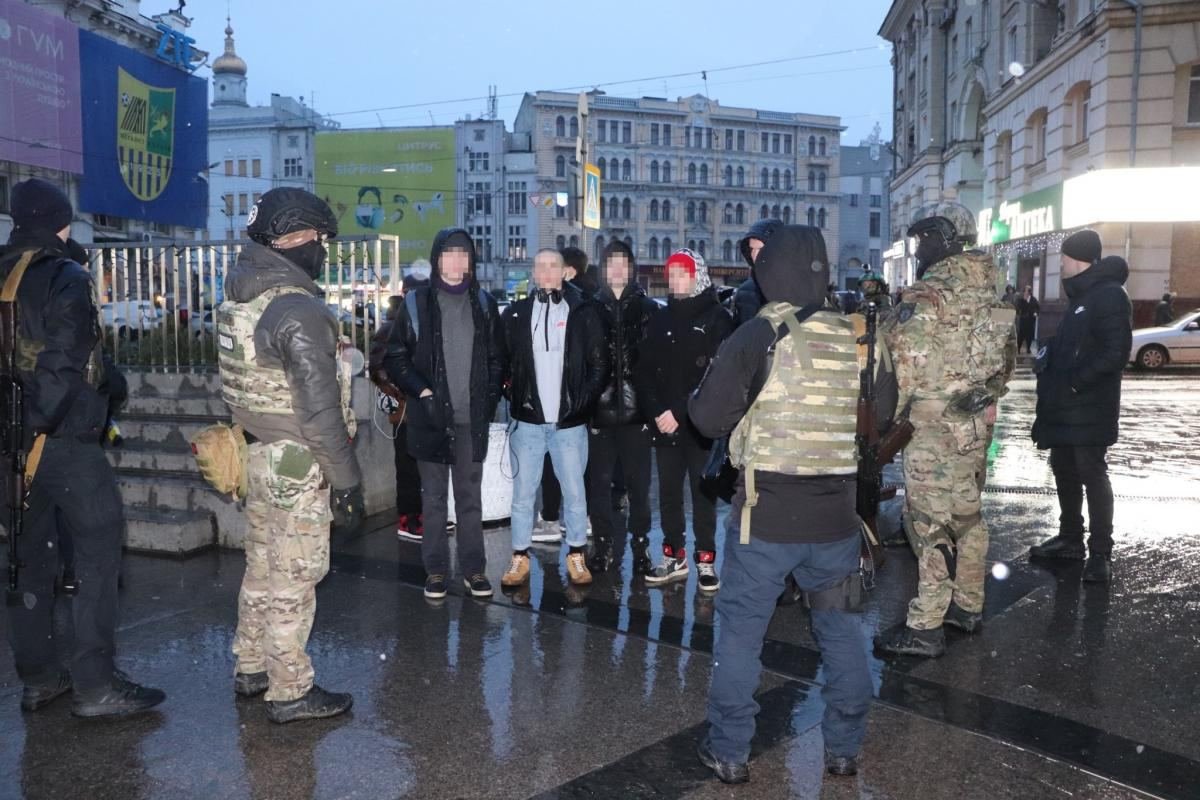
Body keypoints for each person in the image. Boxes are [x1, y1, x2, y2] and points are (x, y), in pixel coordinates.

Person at [690, 225, 894, 783]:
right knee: (842, 632)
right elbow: (883, 414)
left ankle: (731, 750)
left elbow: (706, 418)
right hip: (837, 524)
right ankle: (844, 748)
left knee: (740, 634)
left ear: (768, 271)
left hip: (766, 518)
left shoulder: (759, 335)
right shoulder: (859, 336)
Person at [1, 179, 164, 717]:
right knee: (96, 556)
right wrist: (38, 428)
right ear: (60, 222)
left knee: (30, 560)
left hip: (11, 444)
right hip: (59, 440)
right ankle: (95, 686)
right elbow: (64, 360)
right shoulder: (63, 275)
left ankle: (39, 677)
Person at [219, 188, 363, 723]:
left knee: (260, 566)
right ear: (299, 238)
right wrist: (346, 481)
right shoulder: (297, 309)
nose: (323, 252)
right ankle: (291, 690)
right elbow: (321, 413)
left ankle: (251, 665)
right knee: (295, 578)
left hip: (257, 452)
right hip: (299, 464)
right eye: (321, 240)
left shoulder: (241, 295)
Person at [875, 201, 1016, 659]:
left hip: (931, 427)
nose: (920, 248)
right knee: (968, 518)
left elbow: (901, 369)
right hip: (973, 423)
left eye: (925, 238)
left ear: (946, 237)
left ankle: (925, 624)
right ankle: (968, 606)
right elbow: (1007, 356)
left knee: (928, 522)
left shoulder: (926, 294)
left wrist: (887, 424)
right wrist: (985, 395)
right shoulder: (997, 289)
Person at [385, 229, 504, 600]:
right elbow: (395, 356)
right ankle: (436, 570)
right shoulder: (416, 303)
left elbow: (498, 359)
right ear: (437, 259)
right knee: (433, 499)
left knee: (469, 499)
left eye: (462, 255)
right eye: (449, 254)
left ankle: (473, 570)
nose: (456, 262)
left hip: (471, 420)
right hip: (430, 418)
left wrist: (488, 395)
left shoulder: (484, 303)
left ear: (470, 261)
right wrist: (422, 390)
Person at [500, 249, 608, 588]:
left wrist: (580, 405)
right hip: (527, 423)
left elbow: (599, 365)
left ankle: (576, 553)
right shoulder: (516, 314)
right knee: (522, 496)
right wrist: (513, 393)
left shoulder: (582, 312)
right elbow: (501, 360)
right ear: (533, 272)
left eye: (553, 266)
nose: (546, 272)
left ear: (566, 273)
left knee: (575, 494)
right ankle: (519, 557)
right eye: (540, 266)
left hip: (569, 425)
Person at [1029, 230, 1131, 585]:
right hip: (1067, 406)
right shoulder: (1082, 295)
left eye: (1065, 257)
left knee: (1092, 473)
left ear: (1079, 259)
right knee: (1063, 468)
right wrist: (1049, 354)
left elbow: (1115, 353)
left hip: (1089, 406)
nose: (1061, 263)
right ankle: (1070, 538)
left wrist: (1074, 382)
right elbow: (1077, 344)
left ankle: (1101, 553)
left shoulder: (1109, 296)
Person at [635, 249, 734, 591]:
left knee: (702, 492)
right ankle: (673, 556)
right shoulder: (660, 317)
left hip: (698, 424)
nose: (676, 281)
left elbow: (714, 375)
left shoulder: (717, 317)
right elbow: (644, 371)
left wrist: (678, 412)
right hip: (664, 425)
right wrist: (656, 413)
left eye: (683, 273)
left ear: (697, 276)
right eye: (672, 274)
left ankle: (706, 559)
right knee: (668, 494)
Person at [586, 240, 659, 575]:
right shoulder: (589, 308)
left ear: (631, 268)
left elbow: (657, 367)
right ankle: (602, 545)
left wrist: (652, 408)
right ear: (603, 268)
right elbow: (580, 364)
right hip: (598, 412)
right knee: (598, 486)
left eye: (623, 263)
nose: (617, 269)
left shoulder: (647, 309)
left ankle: (640, 548)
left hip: (637, 415)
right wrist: (583, 407)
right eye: (611, 262)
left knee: (638, 488)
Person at [369, 294, 424, 541]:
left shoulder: (391, 329)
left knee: (412, 465)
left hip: (411, 409)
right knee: (408, 465)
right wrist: (400, 391)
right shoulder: (391, 331)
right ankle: (408, 517)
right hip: (406, 410)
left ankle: (415, 515)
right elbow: (379, 370)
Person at [732, 218, 783, 326]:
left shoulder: (794, 288)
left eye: (760, 249)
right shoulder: (745, 291)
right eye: (751, 249)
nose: (754, 255)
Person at [1016, 285, 1040, 354]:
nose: (1026, 293)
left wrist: (1036, 313)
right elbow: (1018, 308)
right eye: (1025, 291)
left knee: (1029, 336)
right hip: (1023, 320)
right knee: (1021, 335)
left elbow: (1037, 308)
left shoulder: (1033, 299)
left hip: (1030, 320)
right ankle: (1018, 348)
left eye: (1027, 291)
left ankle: (1028, 348)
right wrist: (1024, 300)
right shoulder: (1021, 299)